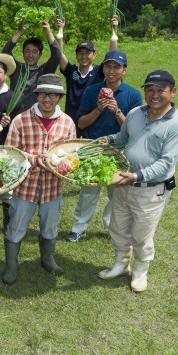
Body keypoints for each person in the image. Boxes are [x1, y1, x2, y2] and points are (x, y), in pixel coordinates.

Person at [98, 70, 178, 292]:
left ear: (173, 92)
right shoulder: (135, 113)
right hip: (122, 181)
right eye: (150, 89)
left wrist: (137, 176)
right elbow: (123, 138)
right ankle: (121, 263)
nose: (154, 95)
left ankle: (140, 270)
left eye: (161, 90)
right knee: (118, 226)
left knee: (142, 232)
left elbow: (166, 164)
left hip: (150, 189)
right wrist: (109, 140)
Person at [2, 73, 76, 285]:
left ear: (59, 98)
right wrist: (34, 159)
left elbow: (71, 154)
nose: (47, 100)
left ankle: (47, 257)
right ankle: (11, 264)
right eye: (43, 94)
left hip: (53, 187)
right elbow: (11, 153)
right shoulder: (21, 120)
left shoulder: (67, 123)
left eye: (53, 96)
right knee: (17, 224)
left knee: (50, 225)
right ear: (37, 95)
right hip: (26, 185)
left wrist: (63, 164)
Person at [66, 50, 143, 242]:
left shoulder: (133, 95)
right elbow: (82, 123)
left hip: (120, 150)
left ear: (124, 70)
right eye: (108, 66)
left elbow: (135, 131)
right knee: (88, 191)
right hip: (94, 148)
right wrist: (99, 109)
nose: (111, 71)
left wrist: (116, 110)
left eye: (117, 67)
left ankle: (112, 228)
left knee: (117, 193)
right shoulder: (92, 91)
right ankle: (79, 228)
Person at [57, 16, 119, 128]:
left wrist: (114, 31)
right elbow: (59, 54)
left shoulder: (99, 71)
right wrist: (60, 30)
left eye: (87, 53)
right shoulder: (71, 71)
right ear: (76, 55)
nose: (83, 56)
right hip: (71, 120)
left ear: (94, 55)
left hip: (92, 117)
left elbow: (112, 55)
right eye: (80, 53)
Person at [1, 19, 61, 113]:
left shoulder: (45, 70)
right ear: (23, 53)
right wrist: (21, 32)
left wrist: (48, 32)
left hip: (37, 115)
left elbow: (57, 55)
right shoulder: (16, 68)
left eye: (34, 52)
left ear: (40, 54)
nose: (30, 55)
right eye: (27, 51)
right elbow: (5, 52)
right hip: (15, 114)